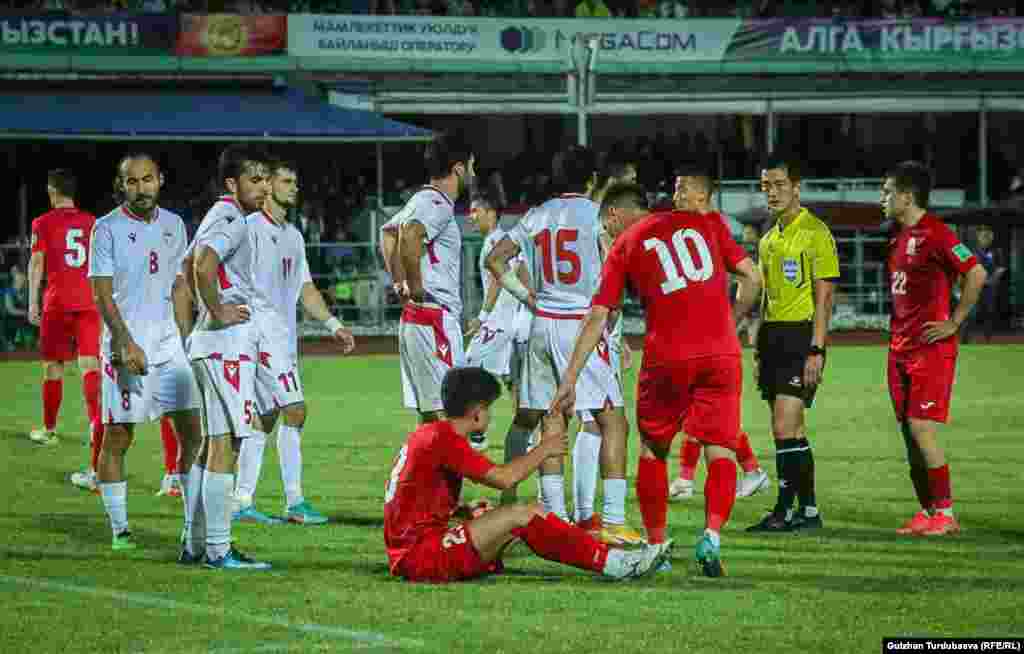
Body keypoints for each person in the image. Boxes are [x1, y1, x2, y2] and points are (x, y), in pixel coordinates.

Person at [553, 181, 762, 577]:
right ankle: (712, 537)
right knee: (720, 447)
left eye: (605, 226)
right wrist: (730, 324)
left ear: (615, 215)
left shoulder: (626, 243)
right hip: (721, 353)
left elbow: (599, 315)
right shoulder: (707, 223)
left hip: (668, 355)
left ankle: (656, 545)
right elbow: (752, 277)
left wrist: (570, 376)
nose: (606, 235)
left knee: (654, 448)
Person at [384, 366, 672, 584]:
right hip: (420, 557)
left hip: (414, 550)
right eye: (489, 409)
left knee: (506, 514)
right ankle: (616, 563)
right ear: (476, 412)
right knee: (521, 514)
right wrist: (545, 448)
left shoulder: (428, 433)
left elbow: (408, 502)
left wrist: (461, 511)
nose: (489, 416)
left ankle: (609, 557)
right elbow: (504, 478)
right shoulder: (444, 438)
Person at [487, 146, 642, 547]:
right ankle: (611, 518)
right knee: (613, 419)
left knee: (550, 419)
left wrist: (527, 297)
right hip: (581, 325)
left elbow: (495, 259)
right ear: (592, 180)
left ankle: (553, 517)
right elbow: (613, 276)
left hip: (543, 325)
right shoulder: (596, 216)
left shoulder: (536, 215)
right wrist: (614, 332)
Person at [86, 153, 204, 552]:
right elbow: (101, 292)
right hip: (126, 348)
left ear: (160, 180)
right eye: (132, 182)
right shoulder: (106, 229)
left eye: (147, 179)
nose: (141, 188)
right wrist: (123, 339)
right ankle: (120, 530)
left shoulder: (174, 225)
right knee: (119, 436)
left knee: (193, 434)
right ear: (122, 186)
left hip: (170, 347)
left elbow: (178, 287)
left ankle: (193, 527)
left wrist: (189, 341)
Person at [233, 159, 355, 526]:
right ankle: (294, 501)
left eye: (295, 181)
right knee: (296, 409)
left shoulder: (293, 235)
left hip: (284, 337)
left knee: (266, 416)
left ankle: (241, 499)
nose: (294, 187)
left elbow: (305, 289)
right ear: (267, 186)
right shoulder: (248, 229)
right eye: (287, 181)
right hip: (259, 334)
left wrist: (333, 323)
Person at [882, 161, 987, 536]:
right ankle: (927, 512)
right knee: (909, 435)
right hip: (899, 349)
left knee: (921, 427)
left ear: (907, 196)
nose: (883, 197)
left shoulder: (938, 234)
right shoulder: (895, 237)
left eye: (888, 191)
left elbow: (976, 271)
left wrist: (954, 322)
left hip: (930, 349)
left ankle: (945, 513)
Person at [186, 144, 272, 570]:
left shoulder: (217, 215)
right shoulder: (232, 219)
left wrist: (197, 324)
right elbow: (202, 265)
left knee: (209, 444)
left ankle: (194, 541)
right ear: (231, 183)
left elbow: (187, 270)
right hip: (227, 344)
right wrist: (218, 310)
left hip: (211, 342)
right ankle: (218, 550)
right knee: (228, 442)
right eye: (254, 179)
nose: (264, 187)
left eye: (265, 179)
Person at [665, 169, 770, 503]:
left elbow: (751, 277)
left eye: (682, 189)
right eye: (675, 188)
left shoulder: (710, 227)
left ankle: (687, 478)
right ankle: (749, 472)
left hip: (706, 341)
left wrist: (732, 317)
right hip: (698, 338)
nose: (675, 195)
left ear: (701, 195)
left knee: (701, 414)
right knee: (702, 415)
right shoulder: (696, 226)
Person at [747, 155, 839, 533]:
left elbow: (825, 298)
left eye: (779, 184)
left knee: (785, 425)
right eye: (766, 185)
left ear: (796, 186)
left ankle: (785, 510)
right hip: (773, 336)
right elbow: (764, 298)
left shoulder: (815, 232)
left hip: (801, 335)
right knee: (790, 429)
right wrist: (757, 345)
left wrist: (816, 349)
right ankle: (810, 511)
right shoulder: (769, 239)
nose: (772, 192)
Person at [379, 133, 474, 424]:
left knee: (432, 416)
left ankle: (421, 471)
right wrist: (415, 287)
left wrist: (399, 282)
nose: (474, 173)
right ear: (458, 168)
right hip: (433, 317)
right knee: (453, 414)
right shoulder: (438, 203)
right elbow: (409, 235)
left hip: (419, 317)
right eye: (472, 166)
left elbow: (388, 233)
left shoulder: (419, 199)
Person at [27, 169, 103, 452]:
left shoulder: (42, 222)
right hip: (88, 302)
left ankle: (49, 430)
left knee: (53, 367)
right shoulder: (93, 223)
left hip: (57, 302)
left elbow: (37, 263)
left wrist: (33, 302)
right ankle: (96, 425)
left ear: (52, 190)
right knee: (90, 366)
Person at [464, 189, 529, 454]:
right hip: (511, 321)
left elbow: (498, 281)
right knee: (514, 382)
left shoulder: (495, 243)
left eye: (475, 211)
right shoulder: (502, 240)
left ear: (490, 213)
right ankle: (527, 433)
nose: (471, 216)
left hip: (500, 322)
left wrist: (482, 317)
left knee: (468, 370)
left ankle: (477, 435)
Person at [961, 224, 1006, 344]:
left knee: (989, 314)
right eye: (983, 234)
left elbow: (1001, 268)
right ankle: (964, 341)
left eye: (988, 235)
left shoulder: (997, 251)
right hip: (974, 287)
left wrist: (992, 279)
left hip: (989, 288)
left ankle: (987, 341)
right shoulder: (970, 250)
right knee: (970, 314)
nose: (986, 237)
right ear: (978, 236)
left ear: (992, 237)